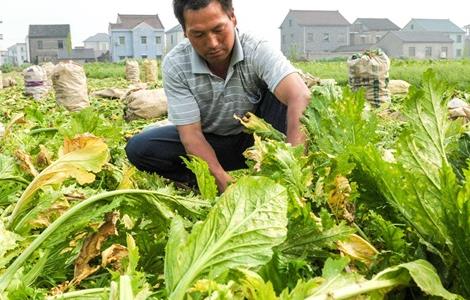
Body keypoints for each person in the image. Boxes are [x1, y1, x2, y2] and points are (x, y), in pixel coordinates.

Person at [125, 0, 311, 192]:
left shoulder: (255, 48)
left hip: (259, 139)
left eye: (218, 29)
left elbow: (300, 95)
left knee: (289, 100)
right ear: (184, 31)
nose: (212, 43)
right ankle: (199, 182)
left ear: (233, 18)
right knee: (140, 148)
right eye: (198, 34)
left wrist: (293, 167)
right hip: (211, 142)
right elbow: (192, 135)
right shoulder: (176, 64)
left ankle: (279, 171)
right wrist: (226, 187)